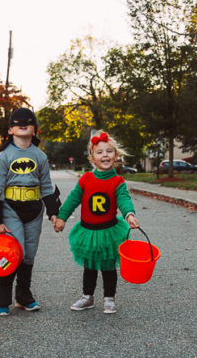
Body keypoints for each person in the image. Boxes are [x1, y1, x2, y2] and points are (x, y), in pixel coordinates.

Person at [53, 130, 139, 314]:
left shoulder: (117, 181)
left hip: (109, 231)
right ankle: (87, 297)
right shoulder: (85, 179)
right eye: (100, 152)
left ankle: (109, 298)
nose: (105, 155)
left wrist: (129, 214)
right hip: (88, 231)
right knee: (89, 266)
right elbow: (73, 199)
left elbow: (124, 199)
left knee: (108, 266)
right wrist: (62, 217)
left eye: (109, 151)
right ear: (92, 158)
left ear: (115, 156)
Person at [0, 108, 60, 316]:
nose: (22, 123)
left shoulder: (40, 156)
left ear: (34, 130)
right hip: (11, 210)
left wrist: (53, 213)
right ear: (10, 130)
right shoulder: (4, 156)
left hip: (34, 211)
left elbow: (47, 187)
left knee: (28, 255)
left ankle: (23, 296)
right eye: (17, 122)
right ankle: (2, 299)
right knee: (13, 253)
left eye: (28, 122)